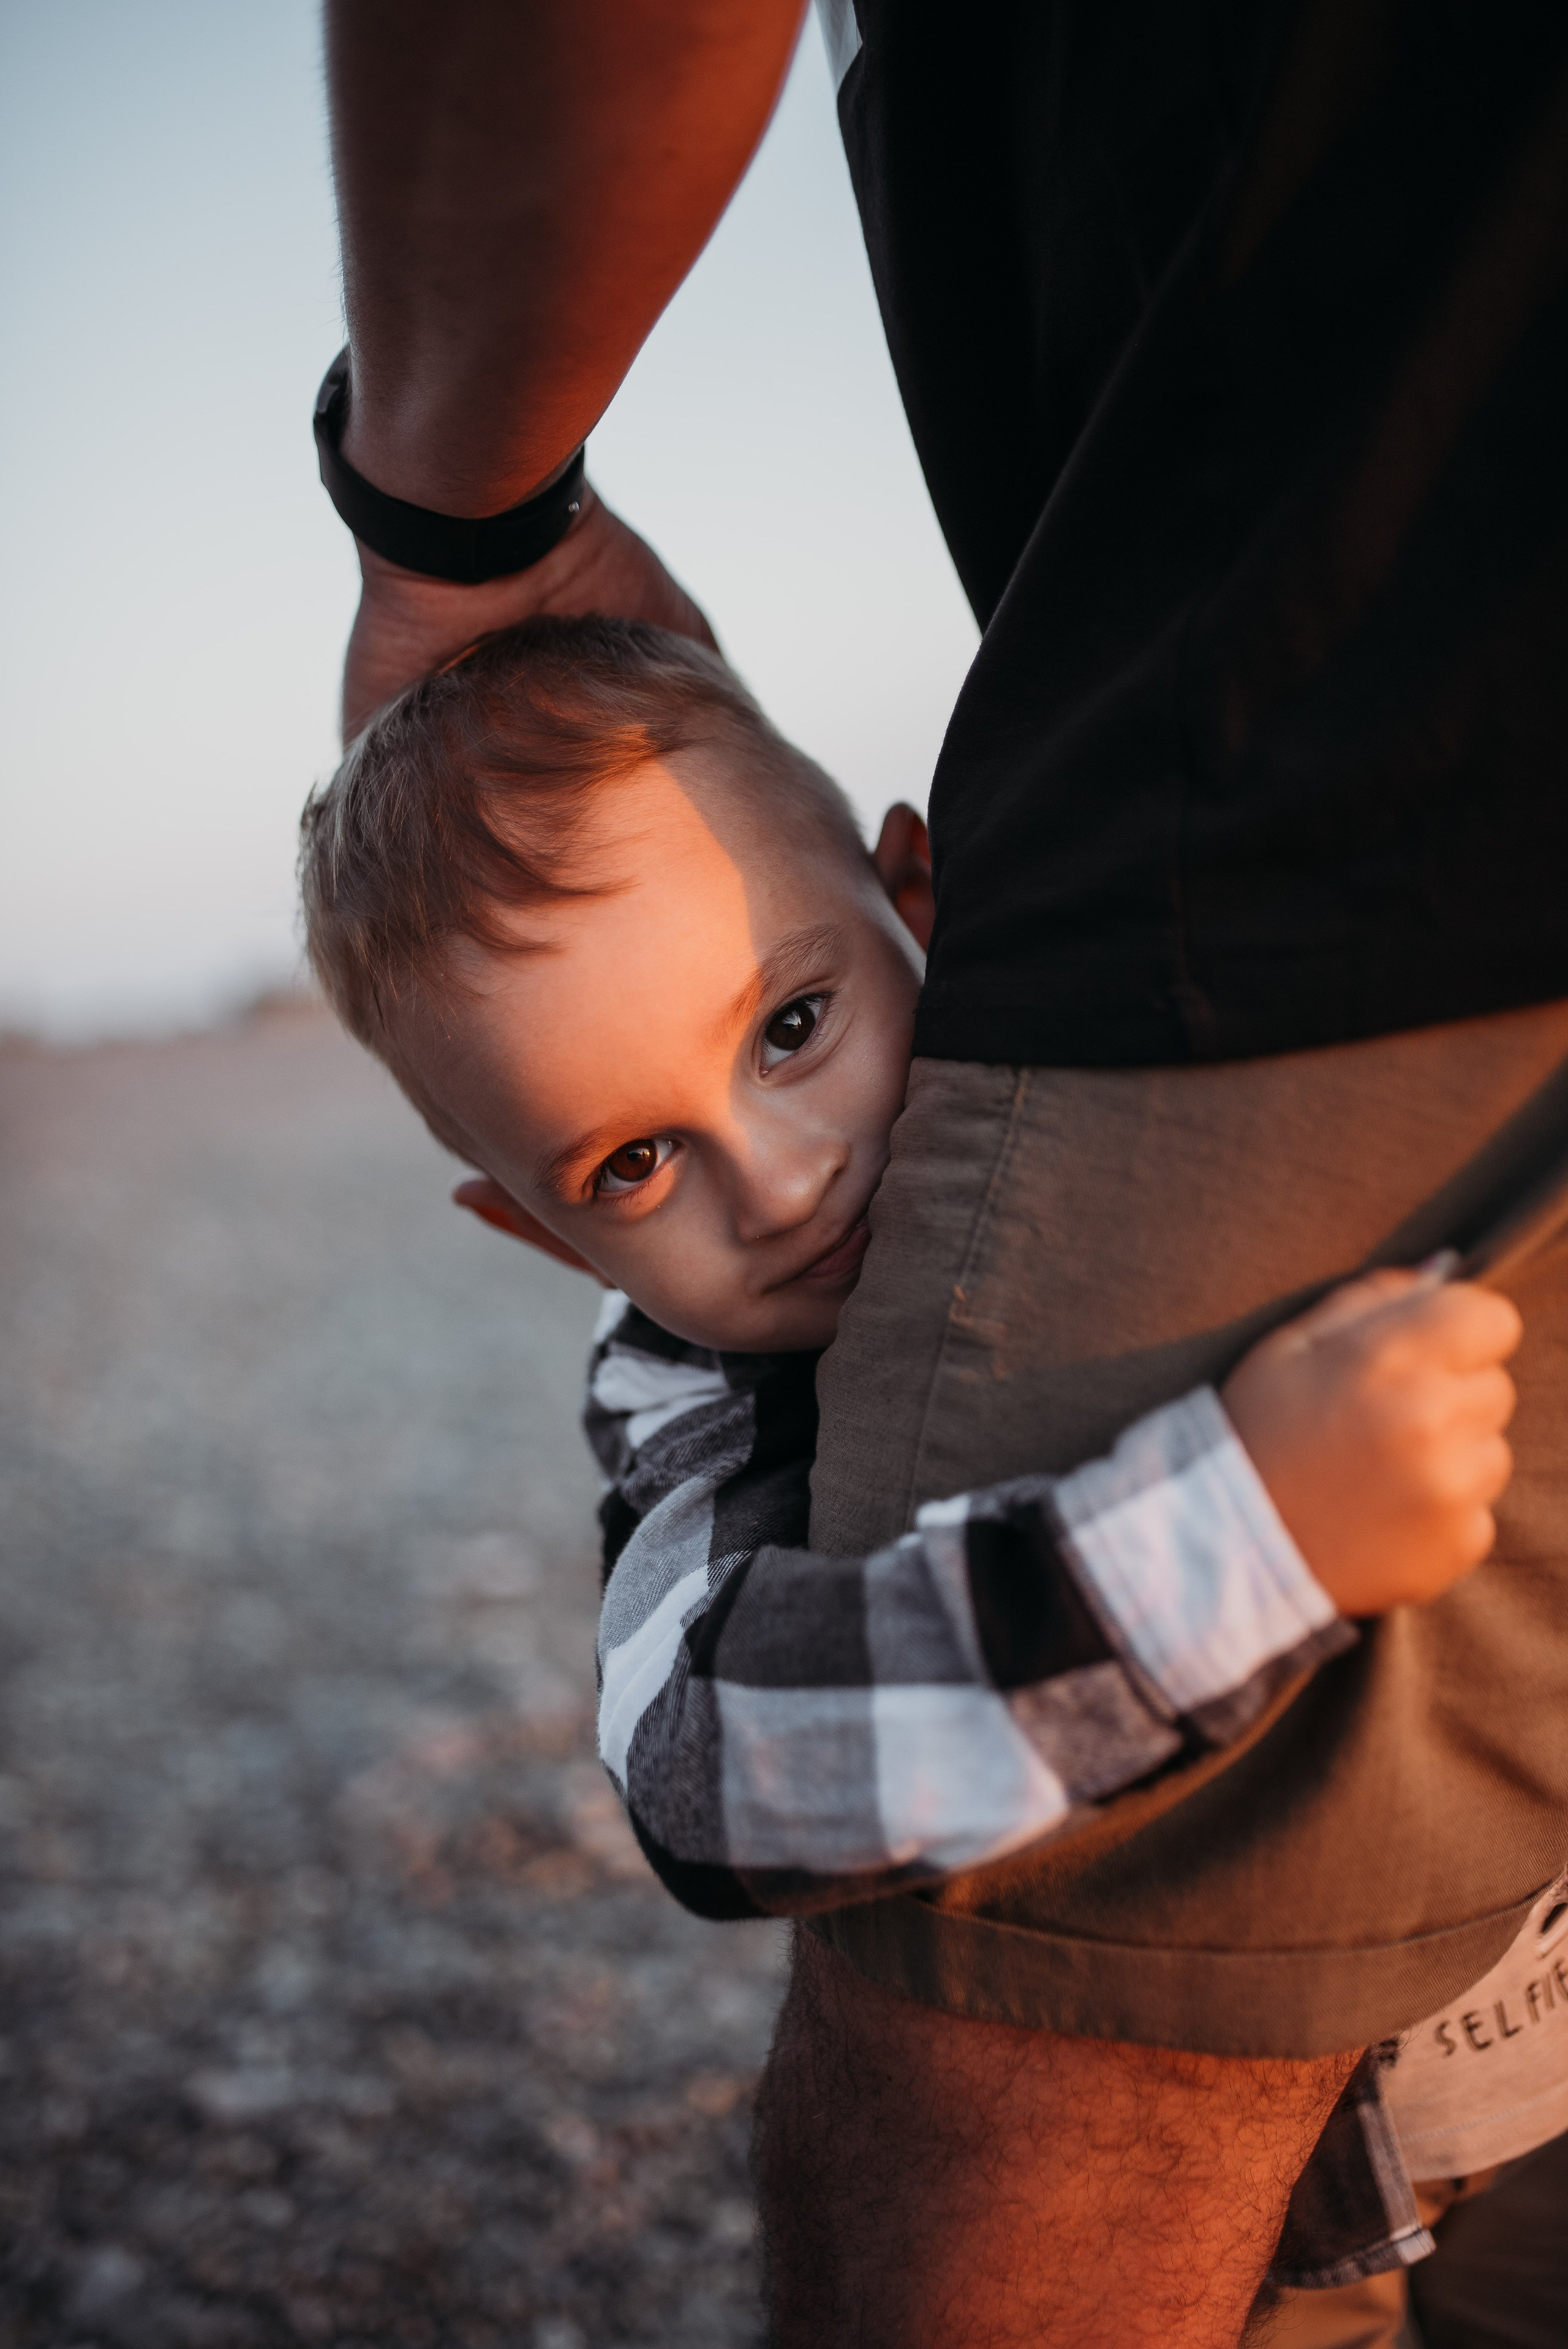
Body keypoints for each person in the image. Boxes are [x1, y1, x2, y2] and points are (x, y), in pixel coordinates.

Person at [315, 4, 1568, 2339]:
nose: (777, 1177)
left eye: (791, 1023)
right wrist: (1233, 1541)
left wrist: (447, 479)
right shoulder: (690, 1401)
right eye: (625, 1163)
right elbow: (713, 1763)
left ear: (915, 894)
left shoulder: (1040, 1021)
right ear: (520, 1228)